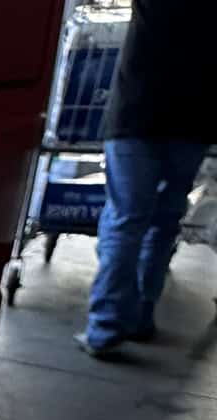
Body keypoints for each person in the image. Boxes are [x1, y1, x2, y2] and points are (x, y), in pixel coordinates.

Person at [75, 0, 217, 358]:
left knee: (127, 220)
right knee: (164, 220)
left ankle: (105, 327)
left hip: (137, 111)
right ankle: (140, 317)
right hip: (193, 117)